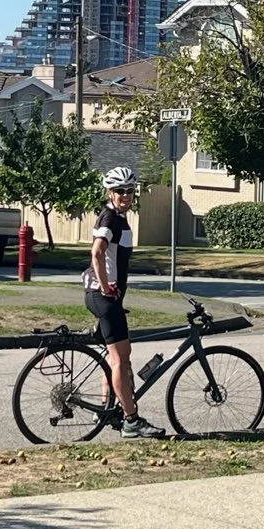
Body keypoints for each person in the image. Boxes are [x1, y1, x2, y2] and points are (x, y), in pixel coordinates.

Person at [84, 166, 165, 439]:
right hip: (103, 298)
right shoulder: (110, 219)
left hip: (106, 299)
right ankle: (131, 420)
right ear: (109, 192)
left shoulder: (118, 218)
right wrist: (107, 286)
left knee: (119, 356)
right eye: (120, 191)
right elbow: (97, 253)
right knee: (120, 359)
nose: (126, 196)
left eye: (130, 191)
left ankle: (106, 407)